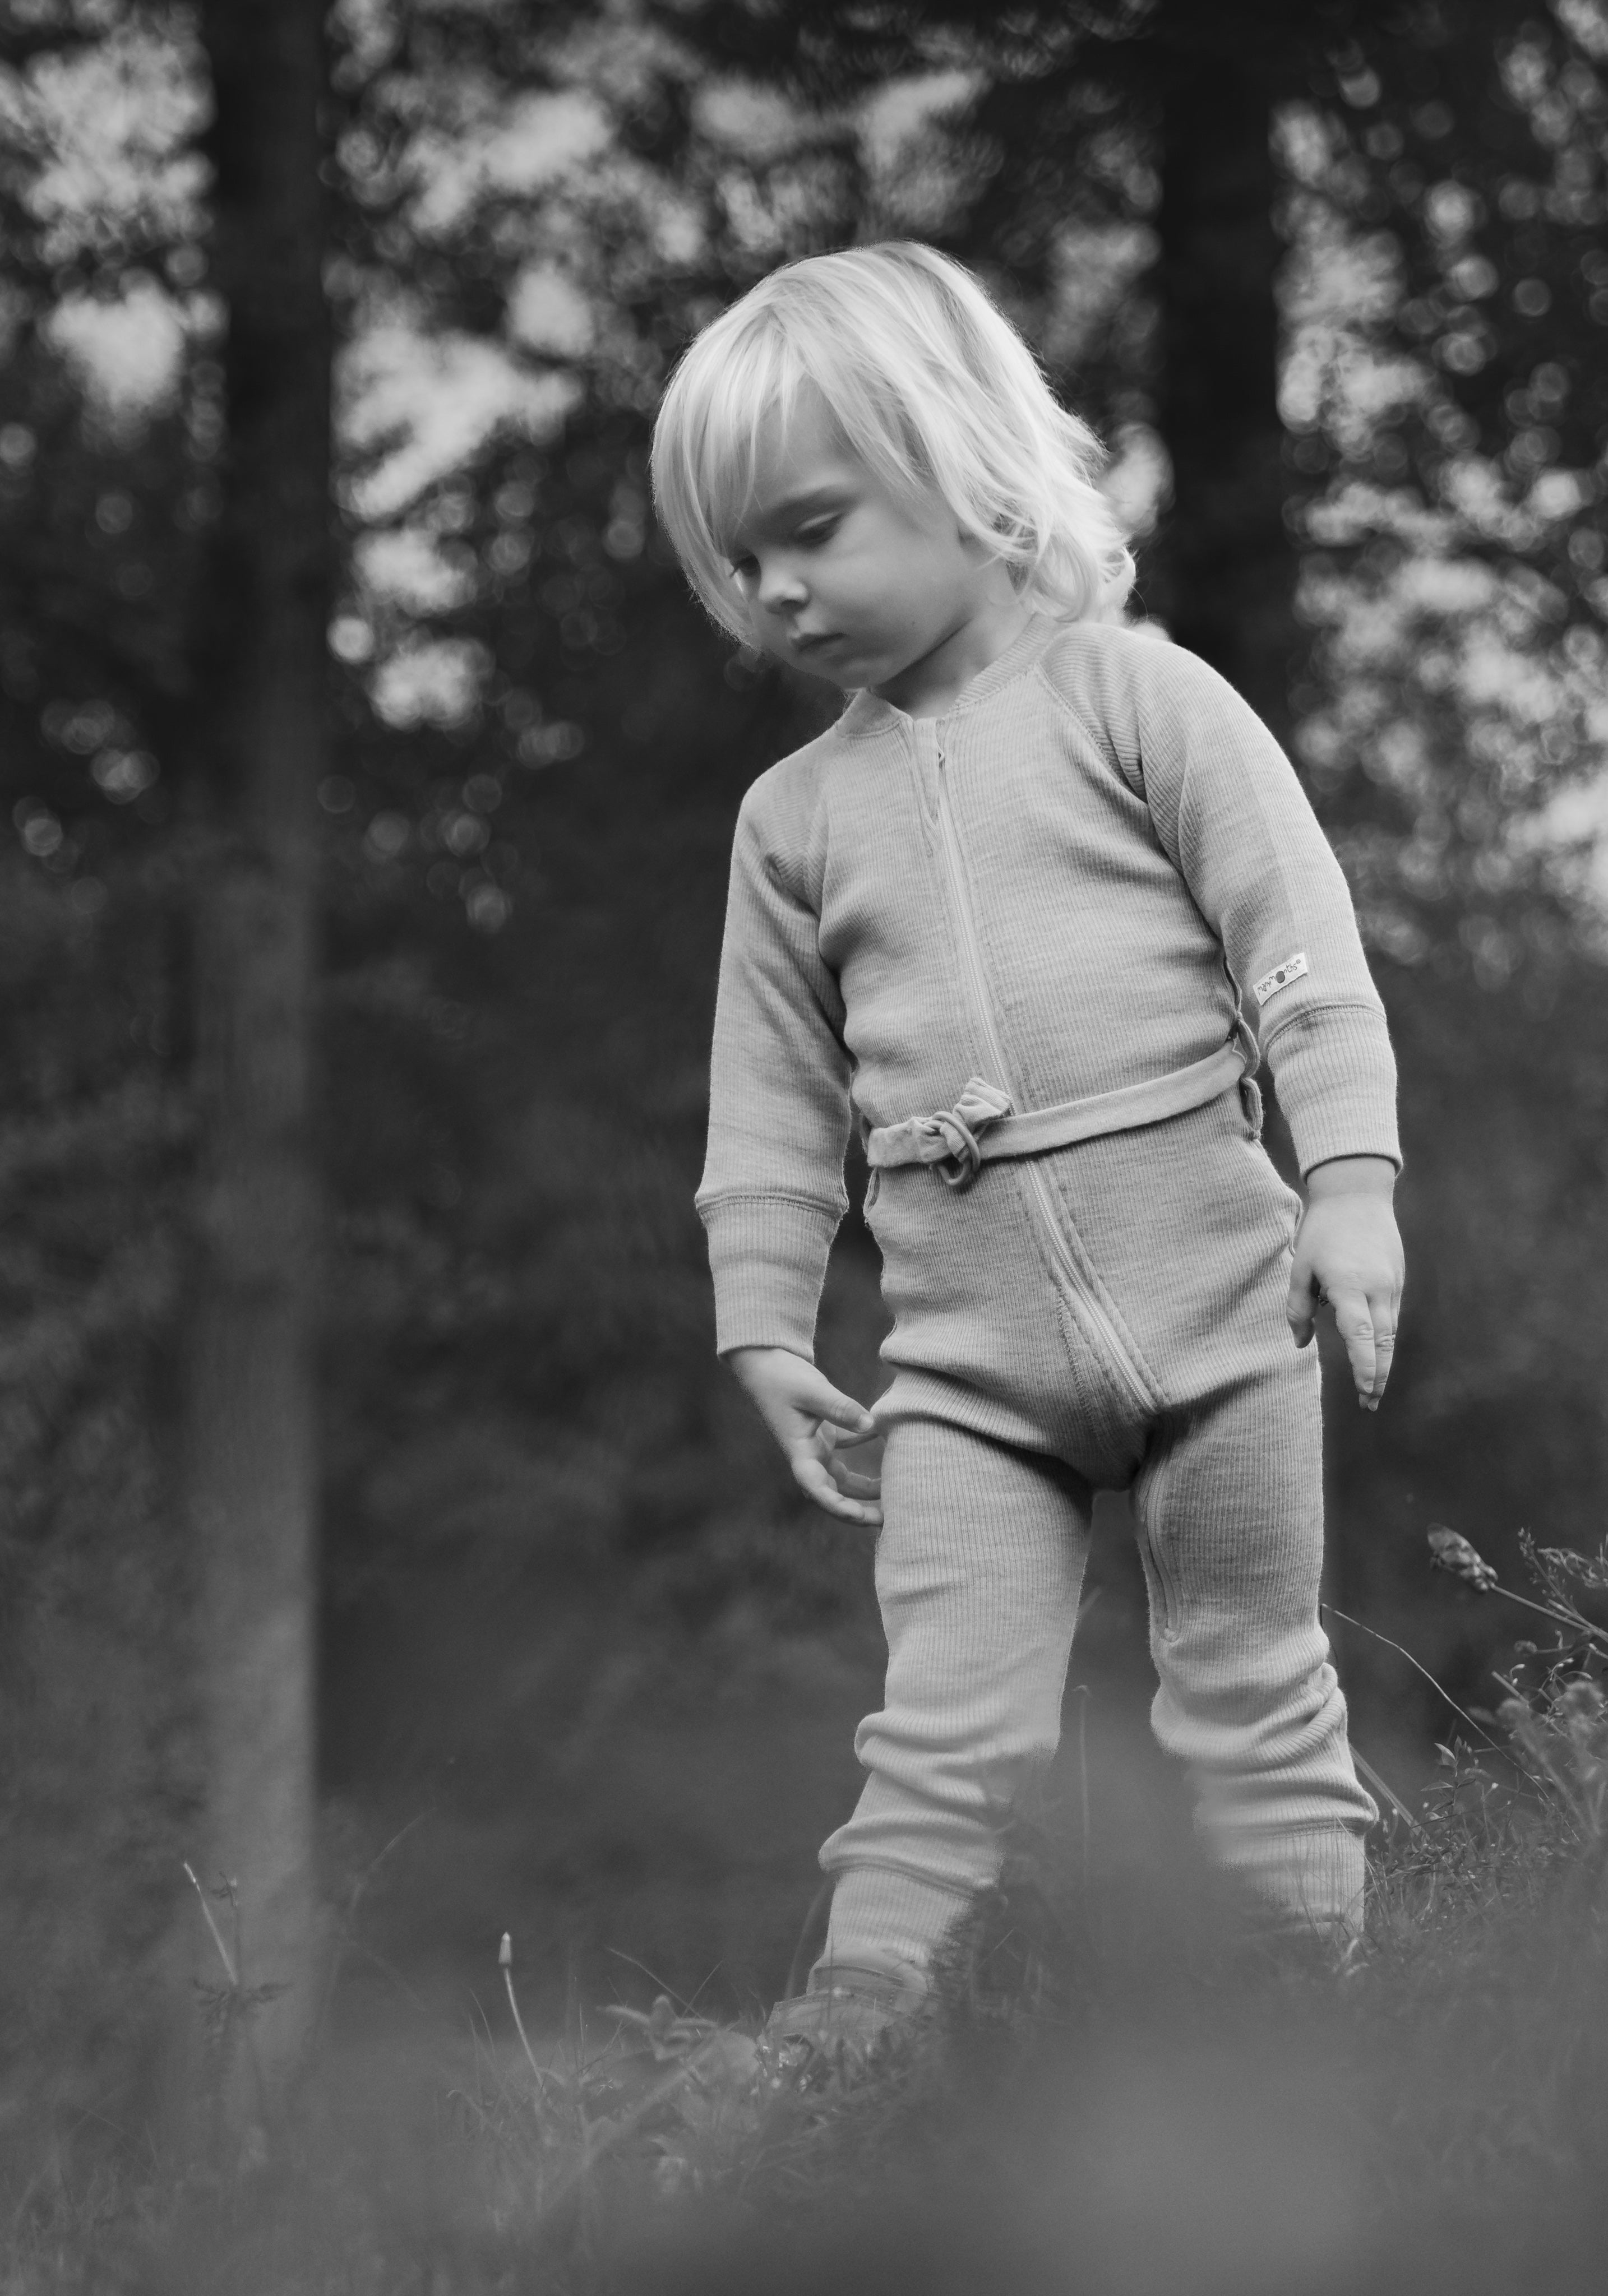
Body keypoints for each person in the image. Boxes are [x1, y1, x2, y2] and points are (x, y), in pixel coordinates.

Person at [650, 242, 1404, 2058]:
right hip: (966, 1368)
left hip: (1222, 1312)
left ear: (962, 463)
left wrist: (1351, 1187)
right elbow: (767, 1099)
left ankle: (1310, 2024)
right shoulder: (791, 821)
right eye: (739, 562)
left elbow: (1298, 954)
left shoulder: (1137, 698)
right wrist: (762, 1324)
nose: (775, 589)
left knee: (1252, 1684)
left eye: (810, 529)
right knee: (940, 1728)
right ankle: (856, 2034)